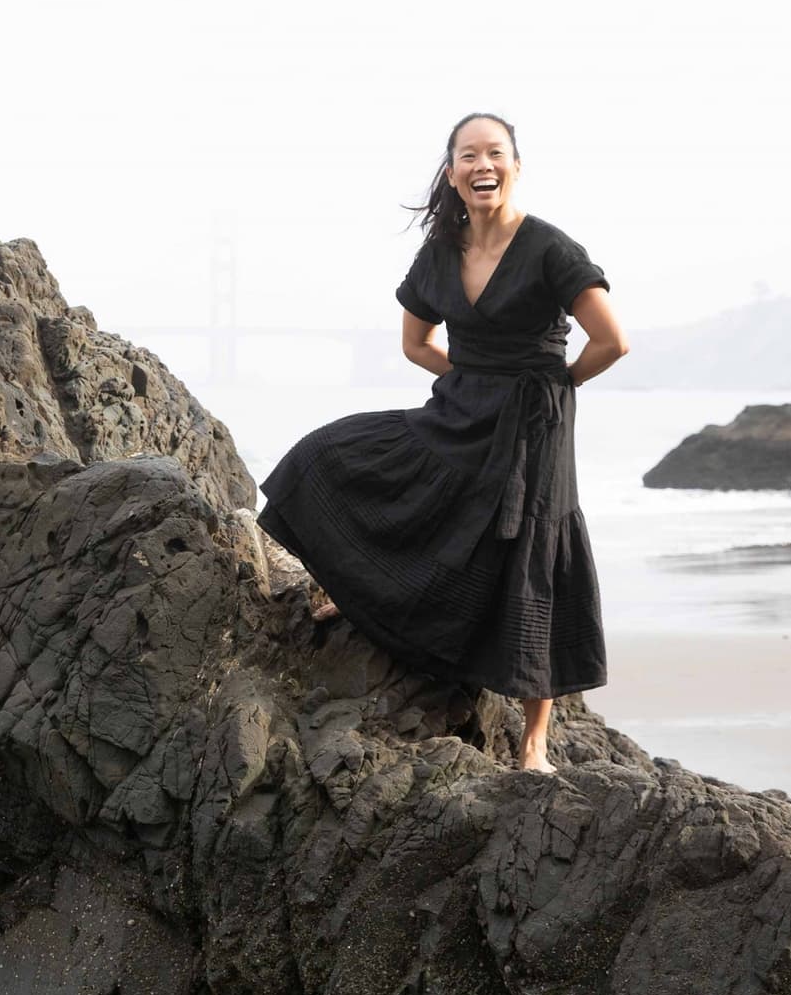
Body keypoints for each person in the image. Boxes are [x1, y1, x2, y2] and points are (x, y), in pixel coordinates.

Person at [256, 112, 628, 773]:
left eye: (495, 154)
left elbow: (611, 341)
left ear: (516, 165)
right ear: (452, 171)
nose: (483, 166)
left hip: (537, 421)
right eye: (468, 156)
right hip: (462, 408)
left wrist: (552, 386)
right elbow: (416, 344)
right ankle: (362, 588)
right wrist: (474, 381)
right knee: (329, 457)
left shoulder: (551, 249)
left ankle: (534, 743)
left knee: (533, 559)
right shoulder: (439, 252)